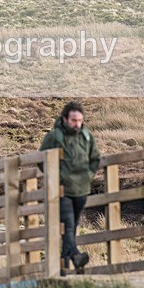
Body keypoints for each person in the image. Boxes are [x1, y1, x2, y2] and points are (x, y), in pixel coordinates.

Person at [40, 101, 101, 275]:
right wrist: (54, 177)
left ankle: (65, 266)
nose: (77, 124)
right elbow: (40, 159)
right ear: (65, 119)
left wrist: (88, 175)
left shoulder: (86, 136)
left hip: (82, 189)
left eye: (80, 120)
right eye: (74, 120)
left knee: (72, 228)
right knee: (68, 225)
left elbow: (95, 158)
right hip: (62, 190)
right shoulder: (54, 137)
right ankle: (75, 257)